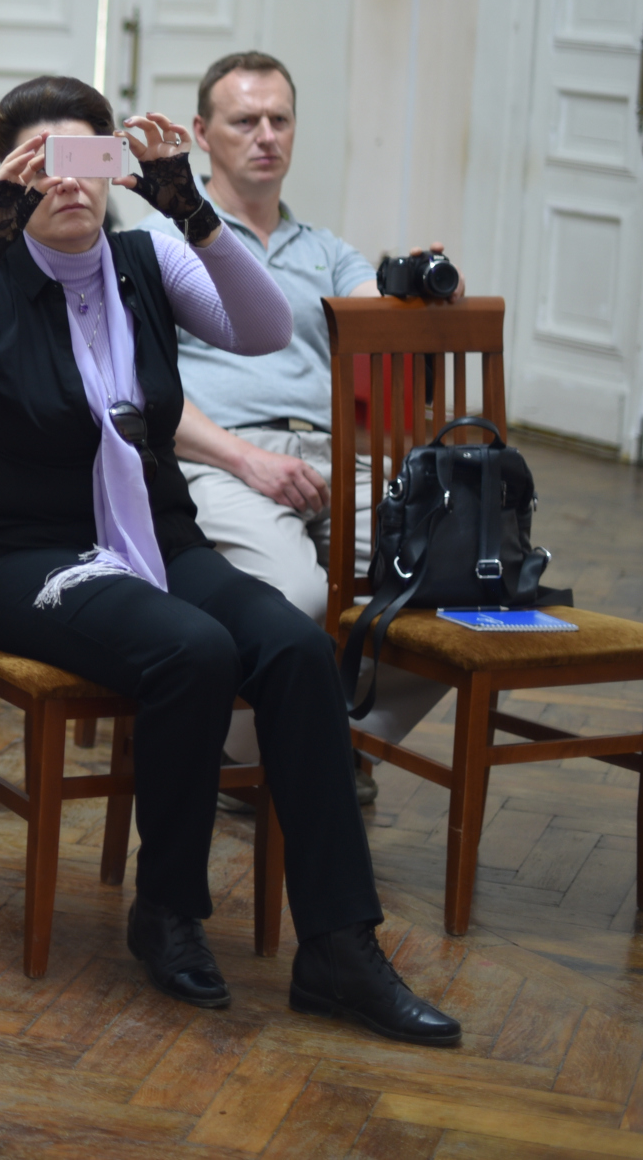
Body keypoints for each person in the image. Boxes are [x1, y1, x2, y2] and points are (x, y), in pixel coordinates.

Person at [0, 75, 458, 1046]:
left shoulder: (145, 258)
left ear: (115, 165)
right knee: (192, 650)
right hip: (29, 555)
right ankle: (169, 909)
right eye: (44, 164)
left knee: (294, 646)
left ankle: (339, 947)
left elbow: (264, 330)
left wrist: (188, 207)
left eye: (88, 157)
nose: (69, 181)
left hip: (155, 533)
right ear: (11, 176)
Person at [139, 53, 454, 780]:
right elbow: (143, 387)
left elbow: (381, 321)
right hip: (221, 456)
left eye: (279, 119)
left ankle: (327, 742)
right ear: (200, 133)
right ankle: (251, 757)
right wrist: (246, 460)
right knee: (298, 597)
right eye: (244, 120)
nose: (265, 135)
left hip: (332, 457)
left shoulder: (325, 251)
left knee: (453, 583)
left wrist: (428, 292)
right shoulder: (163, 240)